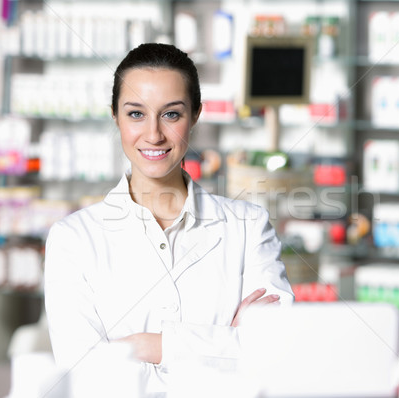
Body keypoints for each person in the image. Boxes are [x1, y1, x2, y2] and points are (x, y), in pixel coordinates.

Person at [43, 43, 294, 392]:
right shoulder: (73, 238)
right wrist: (223, 346)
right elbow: (85, 374)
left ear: (195, 115)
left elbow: (277, 352)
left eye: (171, 114)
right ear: (114, 115)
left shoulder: (249, 226)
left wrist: (151, 346)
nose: (154, 134)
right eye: (136, 114)